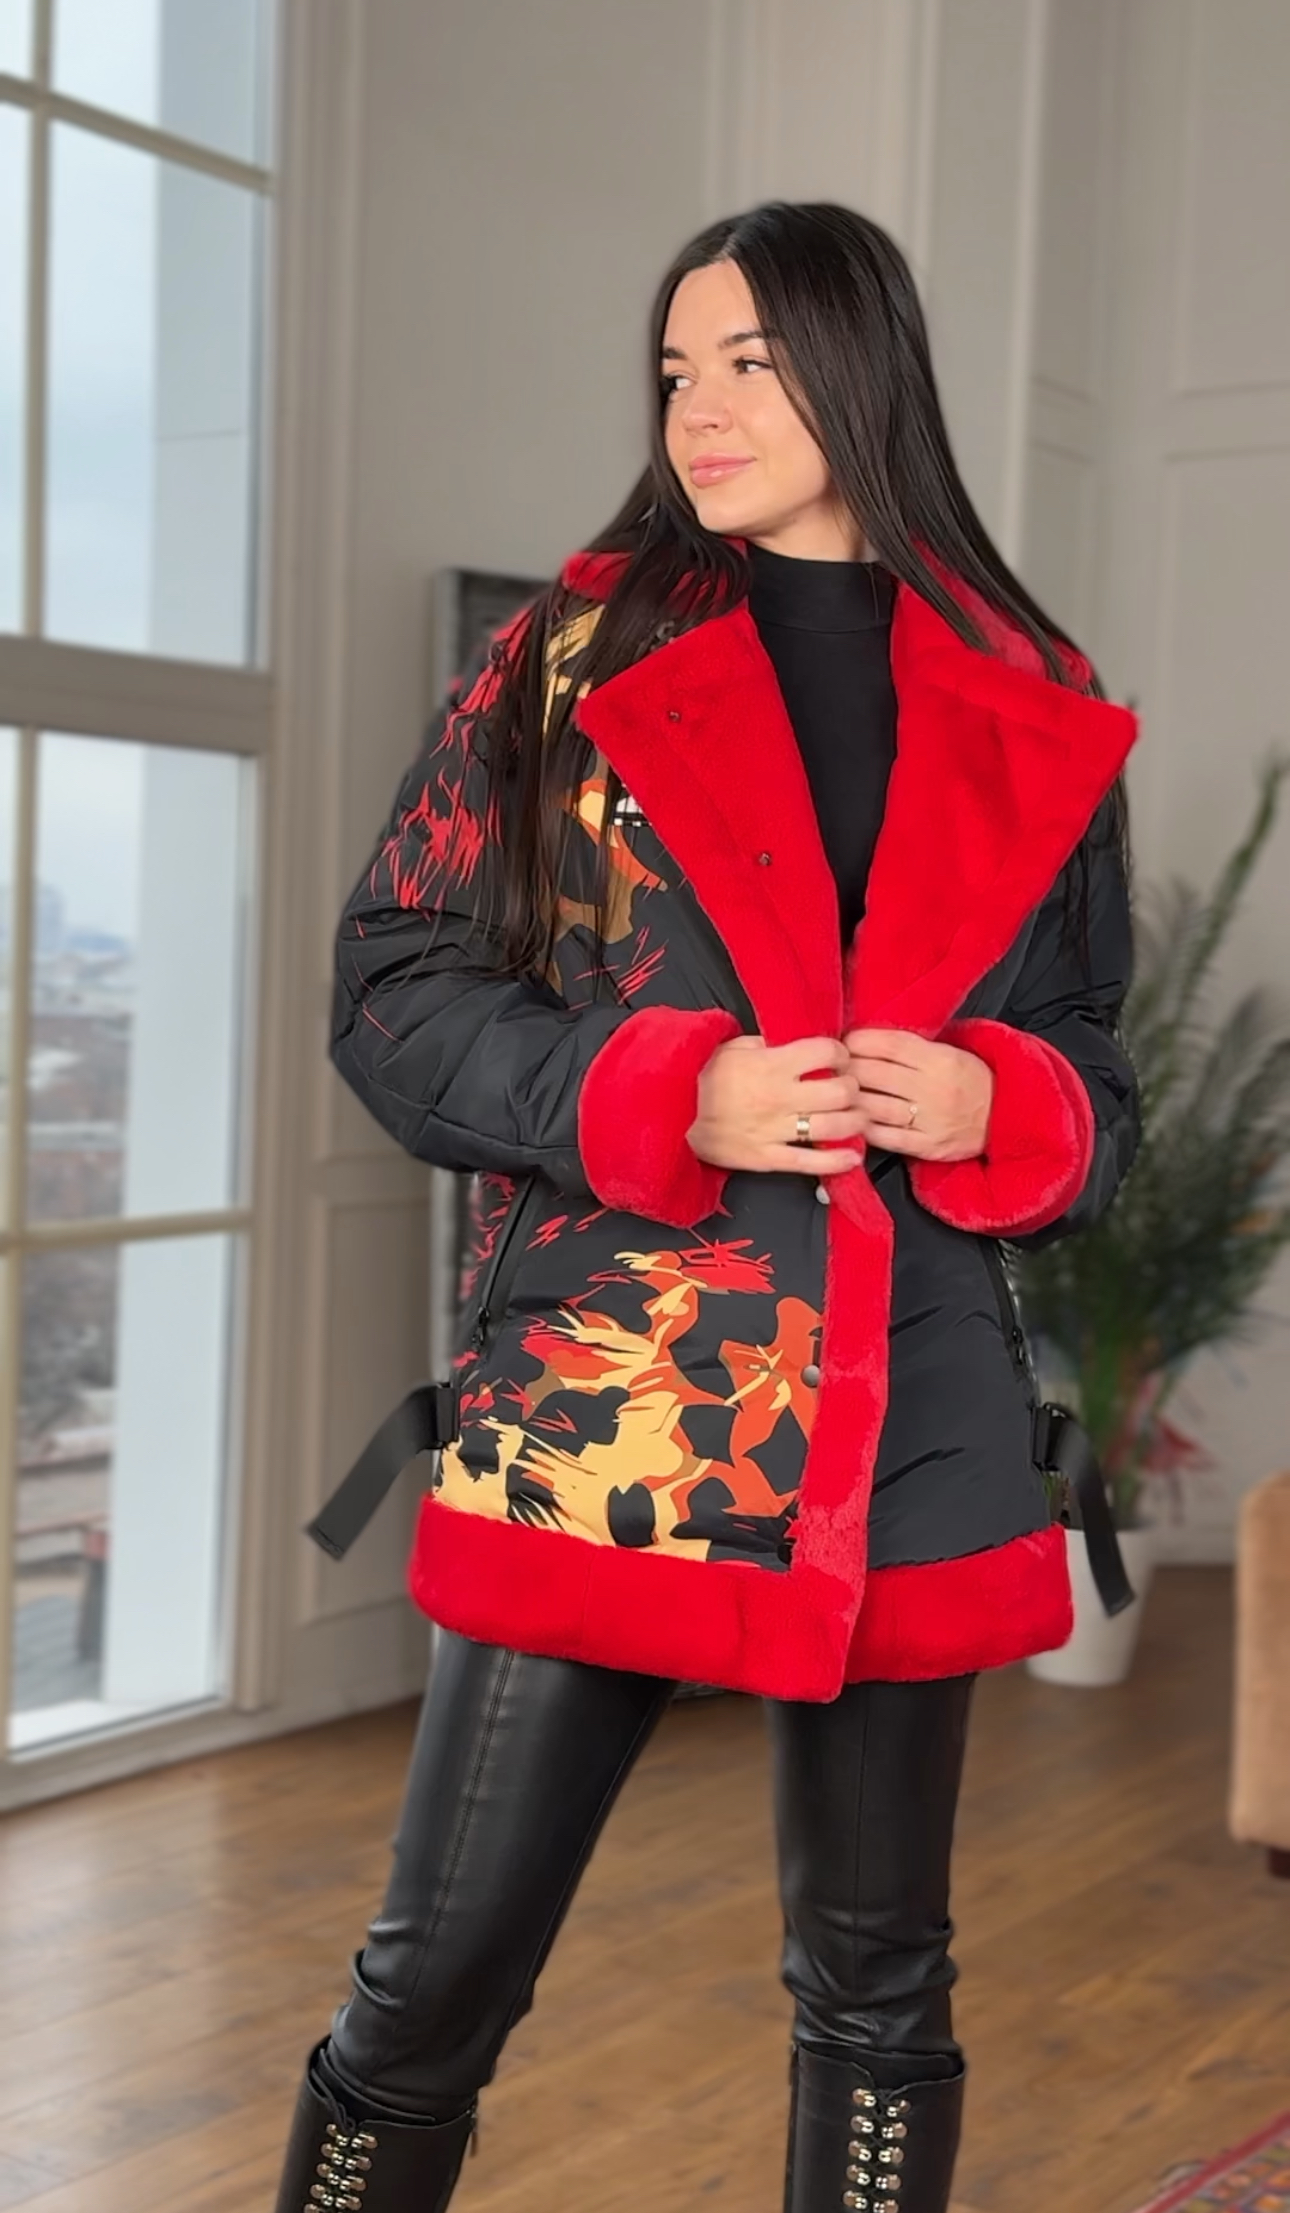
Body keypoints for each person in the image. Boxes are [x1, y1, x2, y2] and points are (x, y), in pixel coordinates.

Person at [273, 200, 1140, 2213]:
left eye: (748, 361)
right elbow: (392, 988)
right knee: (431, 1986)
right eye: (677, 369)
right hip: (616, 1404)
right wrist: (674, 1090)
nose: (700, 408)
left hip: (915, 1426)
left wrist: (994, 1096)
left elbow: (1094, 1063)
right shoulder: (567, 661)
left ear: (862, 366)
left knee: (880, 1991)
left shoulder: (1032, 691)